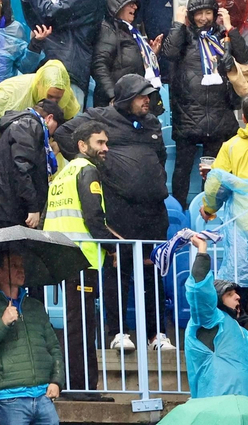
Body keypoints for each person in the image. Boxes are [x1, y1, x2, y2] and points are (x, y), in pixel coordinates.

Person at [89, 73, 172, 349]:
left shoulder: (152, 123)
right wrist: (104, 168)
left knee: (153, 273)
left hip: (153, 211)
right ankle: (118, 333)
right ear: (125, 98)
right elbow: (69, 135)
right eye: (140, 95)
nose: (146, 100)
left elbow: (159, 157)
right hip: (121, 211)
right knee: (119, 272)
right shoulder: (101, 118)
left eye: (148, 95)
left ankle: (156, 334)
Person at [44, 119, 114, 394]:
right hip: (82, 258)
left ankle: (77, 383)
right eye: (100, 142)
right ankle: (83, 386)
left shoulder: (62, 173)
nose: (105, 148)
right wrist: (111, 248)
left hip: (63, 257)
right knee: (82, 326)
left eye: (106, 142)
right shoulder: (87, 171)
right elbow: (94, 219)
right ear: (82, 145)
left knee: (75, 324)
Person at [163, 0, 246, 205]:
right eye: (198, 13)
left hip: (219, 115)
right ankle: (181, 210)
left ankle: (208, 210)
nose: (203, 18)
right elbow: (169, 52)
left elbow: (244, 56)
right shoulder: (185, 35)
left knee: (212, 172)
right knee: (182, 169)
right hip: (188, 115)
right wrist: (178, 24)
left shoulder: (222, 36)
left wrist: (229, 27)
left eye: (207, 12)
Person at [0, 251, 63, 424]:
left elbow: (54, 347)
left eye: (22, 265)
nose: (21, 270)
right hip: (9, 399)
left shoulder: (35, 306)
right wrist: (2, 322)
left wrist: (56, 381)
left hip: (43, 396)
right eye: (14, 266)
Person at [183, 232, 248, 398]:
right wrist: (202, 251)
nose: (238, 297)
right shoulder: (210, 318)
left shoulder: (240, 330)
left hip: (245, 405)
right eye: (229, 294)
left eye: (236, 293)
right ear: (215, 299)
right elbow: (199, 291)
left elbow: (239, 365)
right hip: (218, 407)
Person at [0, 97, 64, 232]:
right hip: (9, 209)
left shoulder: (22, 125)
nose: (51, 135)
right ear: (49, 118)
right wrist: (32, 207)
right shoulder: (29, 125)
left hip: (4, 207)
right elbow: (22, 167)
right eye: (53, 129)